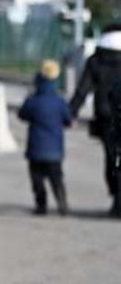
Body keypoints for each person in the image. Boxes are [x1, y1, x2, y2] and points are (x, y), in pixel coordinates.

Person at [69, 23, 121, 217]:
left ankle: (116, 198)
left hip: (107, 117)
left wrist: (70, 112)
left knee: (111, 159)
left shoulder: (96, 60)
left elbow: (83, 89)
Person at [18, 60, 73, 216]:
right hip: (55, 150)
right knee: (56, 178)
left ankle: (41, 205)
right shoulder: (59, 102)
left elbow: (22, 114)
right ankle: (62, 201)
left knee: (37, 180)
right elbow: (68, 119)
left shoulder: (33, 101)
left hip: (35, 149)